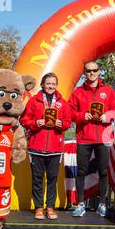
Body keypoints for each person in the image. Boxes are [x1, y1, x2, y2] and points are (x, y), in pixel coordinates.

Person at [68, 61, 115, 217]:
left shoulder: (108, 90)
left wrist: (107, 116)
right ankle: (80, 204)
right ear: (84, 73)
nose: (91, 73)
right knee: (82, 171)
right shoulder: (78, 92)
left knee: (103, 171)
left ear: (99, 72)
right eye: (88, 71)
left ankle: (102, 204)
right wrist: (81, 116)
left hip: (103, 137)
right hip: (84, 137)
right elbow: (70, 113)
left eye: (94, 70)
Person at [20, 72, 72, 220]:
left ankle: (50, 207)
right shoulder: (34, 101)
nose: (50, 86)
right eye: (48, 83)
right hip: (37, 146)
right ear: (43, 85)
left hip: (55, 148)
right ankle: (38, 207)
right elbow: (24, 120)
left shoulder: (62, 102)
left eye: (53, 84)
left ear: (56, 85)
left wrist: (62, 125)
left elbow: (68, 121)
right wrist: (35, 123)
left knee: (52, 179)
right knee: (37, 179)